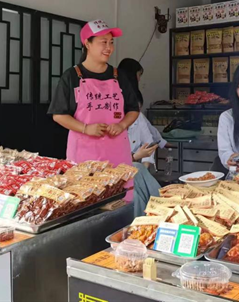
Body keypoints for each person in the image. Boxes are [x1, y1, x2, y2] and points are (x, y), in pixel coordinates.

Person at [48, 19, 140, 200]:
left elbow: (133, 109)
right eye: (103, 42)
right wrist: (85, 128)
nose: (109, 48)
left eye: (111, 42)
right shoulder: (72, 76)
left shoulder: (119, 76)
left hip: (117, 152)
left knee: (120, 199)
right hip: (84, 153)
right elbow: (59, 115)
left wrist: (122, 125)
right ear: (87, 44)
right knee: (85, 199)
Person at [118, 58, 165, 216]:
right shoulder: (111, 126)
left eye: (137, 111)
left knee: (138, 171)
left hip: (136, 171)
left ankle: (159, 214)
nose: (134, 116)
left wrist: (144, 167)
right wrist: (134, 157)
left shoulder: (138, 118)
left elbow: (149, 141)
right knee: (135, 194)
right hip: (117, 175)